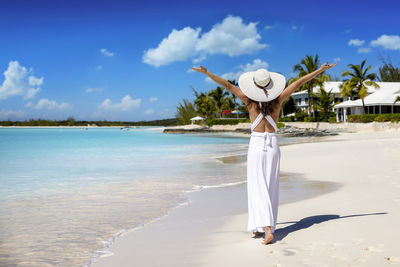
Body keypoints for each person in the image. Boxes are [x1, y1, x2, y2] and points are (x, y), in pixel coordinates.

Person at [191, 62, 336, 245]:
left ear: (254, 86)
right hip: (273, 145)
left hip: (257, 145)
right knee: (270, 186)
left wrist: (207, 72)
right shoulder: (278, 100)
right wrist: (320, 70)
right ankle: (261, 226)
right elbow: (299, 82)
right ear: (270, 85)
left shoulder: (249, 101)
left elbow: (227, 85)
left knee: (257, 187)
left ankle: (266, 229)